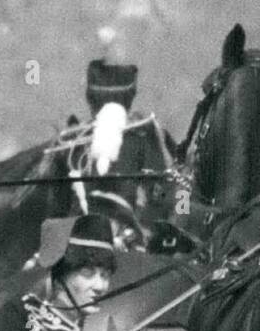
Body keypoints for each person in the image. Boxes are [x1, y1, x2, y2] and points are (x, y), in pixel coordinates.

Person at [66, 40, 178, 233]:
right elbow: (162, 195)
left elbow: (162, 195)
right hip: (116, 236)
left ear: (91, 99)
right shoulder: (145, 135)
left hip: (108, 235)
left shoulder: (75, 139)